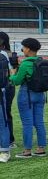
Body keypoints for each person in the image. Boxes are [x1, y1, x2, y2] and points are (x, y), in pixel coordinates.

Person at [9, 38, 47, 159]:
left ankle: (27, 150)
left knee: (27, 123)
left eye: (23, 47)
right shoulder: (41, 61)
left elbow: (16, 81)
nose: (22, 50)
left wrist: (12, 73)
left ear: (28, 49)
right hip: (40, 94)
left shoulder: (25, 64)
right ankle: (41, 148)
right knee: (39, 122)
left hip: (26, 95)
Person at [0, 32, 15, 148]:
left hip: (6, 86)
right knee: (6, 113)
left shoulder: (6, 54)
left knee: (5, 113)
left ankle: (9, 140)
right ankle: (9, 140)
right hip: (8, 85)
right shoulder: (9, 53)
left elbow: (12, 71)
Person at [0, 33, 11, 163]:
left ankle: (4, 151)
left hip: (1, 90)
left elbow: (7, 74)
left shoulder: (2, 55)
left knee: (2, 121)